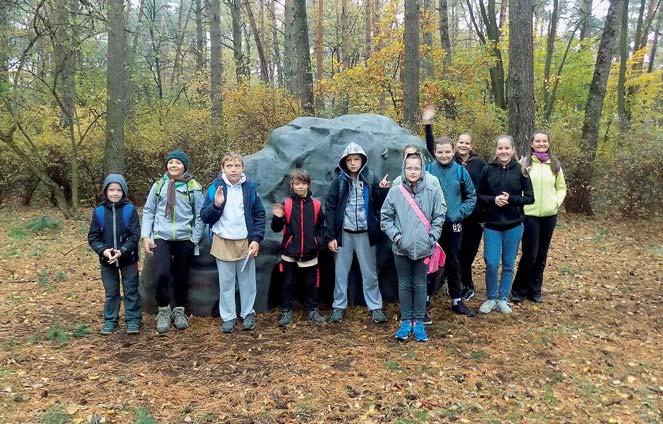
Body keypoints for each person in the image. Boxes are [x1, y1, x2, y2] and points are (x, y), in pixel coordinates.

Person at [381, 152, 445, 342]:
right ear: (404, 168)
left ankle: (418, 320)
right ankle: (406, 319)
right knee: (404, 283)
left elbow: (439, 216)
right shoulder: (395, 192)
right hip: (401, 248)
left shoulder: (432, 191)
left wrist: (432, 237)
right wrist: (398, 237)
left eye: (416, 168)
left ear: (422, 169)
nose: (413, 171)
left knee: (419, 284)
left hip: (424, 248)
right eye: (409, 168)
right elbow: (385, 218)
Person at [325, 142, 390, 323]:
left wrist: (383, 190)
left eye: (356, 159)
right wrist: (330, 236)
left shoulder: (370, 178)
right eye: (349, 160)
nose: (353, 163)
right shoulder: (339, 181)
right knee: (340, 272)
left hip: (365, 233)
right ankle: (338, 306)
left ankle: (375, 307)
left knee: (369, 272)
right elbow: (330, 207)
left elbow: (379, 205)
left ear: (362, 160)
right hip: (344, 234)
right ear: (344, 162)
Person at [200, 152, 266, 333]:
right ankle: (228, 317)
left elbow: (259, 214)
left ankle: (247, 314)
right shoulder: (215, 187)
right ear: (223, 168)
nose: (233, 169)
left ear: (242, 168)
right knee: (227, 282)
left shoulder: (250, 187)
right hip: (222, 241)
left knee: (247, 282)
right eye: (229, 166)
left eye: (237, 165)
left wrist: (256, 239)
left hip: (245, 241)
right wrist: (216, 204)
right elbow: (204, 216)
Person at [141, 149, 204, 334]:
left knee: (182, 276)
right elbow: (148, 211)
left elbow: (201, 215)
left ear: (184, 166)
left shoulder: (193, 186)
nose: (173, 165)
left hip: (185, 238)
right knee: (161, 274)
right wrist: (146, 236)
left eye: (177, 163)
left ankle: (179, 311)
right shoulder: (159, 186)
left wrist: (195, 239)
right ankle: (163, 311)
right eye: (170, 162)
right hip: (162, 237)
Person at [423, 107, 478, 318]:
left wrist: (459, 213)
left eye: (447, 152)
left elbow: (471, 196)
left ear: (453, 152)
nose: (444, 155)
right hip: (432, 226)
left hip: (453, 224)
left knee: (454, 261)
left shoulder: (460, 170)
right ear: (435, 152)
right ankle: (426, 299)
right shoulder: (428, 170)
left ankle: (457, 300)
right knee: (430, 263)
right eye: (440, 152)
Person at [476, 136, 534, 314]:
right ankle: (491, 297)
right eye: (500, 148)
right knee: (492, 263)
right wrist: (494, 200)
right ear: (496, 150)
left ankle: (502, 298)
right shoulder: (487, 170)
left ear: (513, 150)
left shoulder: (521, 170)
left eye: (507, 148)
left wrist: (511, 200)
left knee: (508, 263)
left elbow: (530, 198)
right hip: (492, 225)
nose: (503, 151)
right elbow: (478, 195)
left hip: (514, 224)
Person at [511, 131, 567, 303]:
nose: (541, 144)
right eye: (538, 141)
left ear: (549, 144)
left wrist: (555, 203)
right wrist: (521, 205)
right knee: (530, 254)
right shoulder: (525, 164)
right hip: (530, 215)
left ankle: (535, 290)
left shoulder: (555, 165)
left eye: (544, 141)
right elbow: (517, 187)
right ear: (532, 144)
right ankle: (519, 289)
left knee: (542, 255)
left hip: (549, 216)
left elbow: (561, 188)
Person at [271, 169, 327, 326]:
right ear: (292, 185)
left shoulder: (316, 205)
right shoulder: (286, 204)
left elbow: (322, 227)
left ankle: (313, 310)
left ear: (309, 185)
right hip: (290, 253)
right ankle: (287, 311)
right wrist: (278, 217)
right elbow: (276, 228)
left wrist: (317, 242)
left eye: (303, 184)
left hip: (310, 253)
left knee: (311, 284)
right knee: (288, 284)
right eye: (297, 184)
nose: (300, 187)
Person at [88, 174, 142, 335]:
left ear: (124, 192)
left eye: (118, 190)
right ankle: (110, 320)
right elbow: (93, 237)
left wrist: (123, 251)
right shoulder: (98, 212)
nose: (115, 193)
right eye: (111, 190)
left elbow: (135, 235)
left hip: (128, 258)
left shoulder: (130, 210)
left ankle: (133, 320)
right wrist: (104, 251)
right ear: (106, 191)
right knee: (111, 292)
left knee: (131, 290)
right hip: (107, 261)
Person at [454, 133, 487, 301]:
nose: (464, 145)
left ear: (471, 146)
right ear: (456, 144)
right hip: (456, 216)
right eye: (461, 142)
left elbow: (487, 186)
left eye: (467, 143)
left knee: (468, 253)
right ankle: (457, 285)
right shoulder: (450, 161)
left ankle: (467, 286)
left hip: (474, 217)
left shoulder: (480, 164)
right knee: (456, 253)